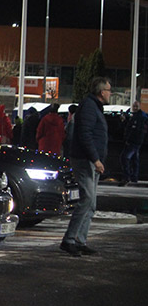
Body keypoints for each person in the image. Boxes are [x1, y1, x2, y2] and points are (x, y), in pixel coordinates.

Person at [60, 77, 111, 257]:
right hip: (85, 160)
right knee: (87, 199)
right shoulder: (90, 107)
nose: (110, 93)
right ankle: (69, 239)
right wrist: (96, 159)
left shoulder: (94, 107)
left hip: (91, 160)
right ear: (101, 92)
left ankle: (80, 240)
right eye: (109, 90)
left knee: (91, 202)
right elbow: (85, 135)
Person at [119, 101, 147, 186]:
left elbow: (135, 130)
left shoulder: (139, 117)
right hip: (135, 142)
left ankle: (127, 176)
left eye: (136, 106)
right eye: (134, 106)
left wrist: (129, 139)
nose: (134, 108)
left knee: (125, 157)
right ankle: (134, 177)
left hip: (134, 142)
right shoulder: (137, 116)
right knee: (134, 159)